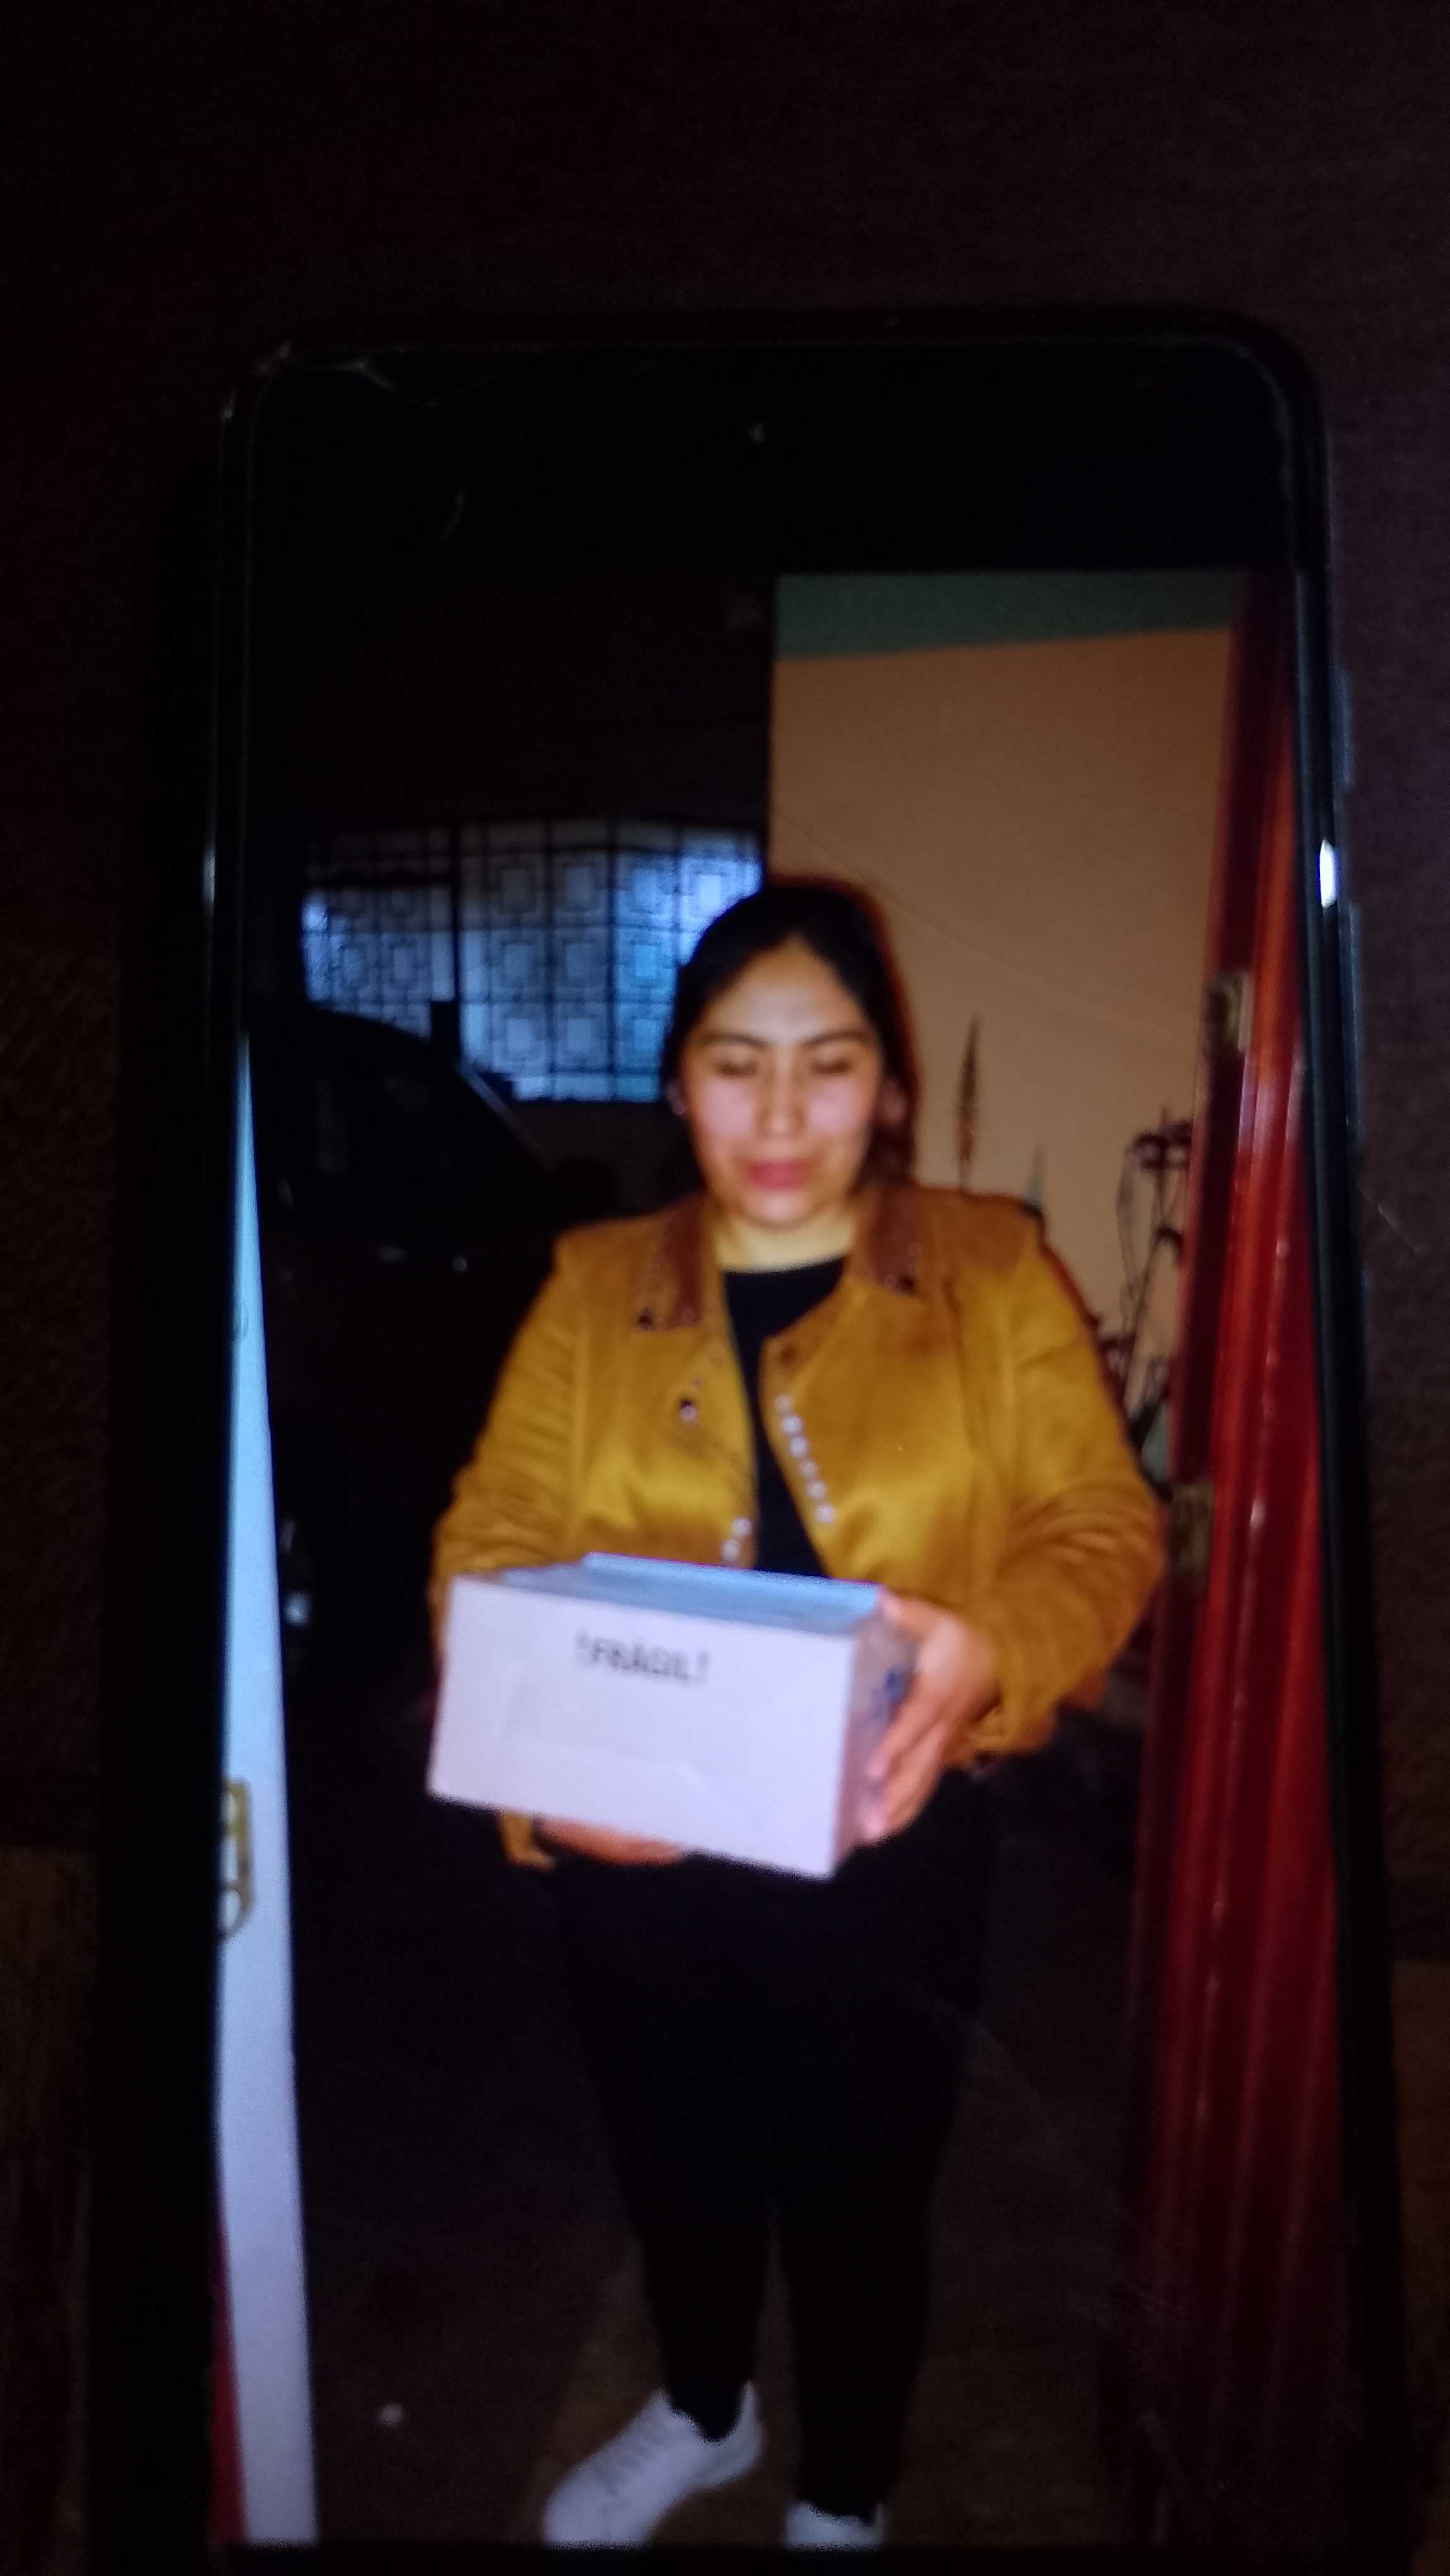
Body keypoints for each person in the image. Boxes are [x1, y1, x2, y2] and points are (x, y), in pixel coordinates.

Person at [429, 881, 1163, 2549]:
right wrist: (542, 1793)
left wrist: (993, 1650)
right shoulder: (593, 1284)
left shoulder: (989, 1272)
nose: (777, 1114)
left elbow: (1100, 1527)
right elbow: (492, 1543)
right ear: (676, 1080)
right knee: (670, 2153)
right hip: (632, 1827)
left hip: (889, 1826)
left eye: (826, 1066)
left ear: (887, 1088)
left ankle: (846, 2490)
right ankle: (705, 2408)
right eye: (733, 1063)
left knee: (861, 2188)